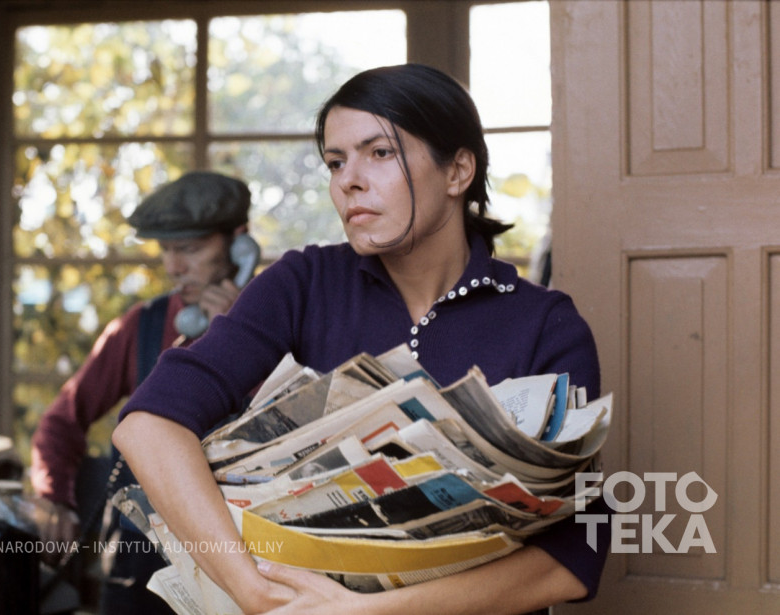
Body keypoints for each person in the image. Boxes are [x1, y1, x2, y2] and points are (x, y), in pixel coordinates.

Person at [113, 64, 611, 615]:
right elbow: (149, 424)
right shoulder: (302, 283)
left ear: (457, 171)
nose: (347, 180)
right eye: (335, 162)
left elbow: (574, 555)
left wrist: (364, 612)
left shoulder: (545, 324)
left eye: (379, 153)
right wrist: (254, 591)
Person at [30, 170, 255, 614]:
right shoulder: (142, 326)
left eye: (190, 249)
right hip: (139, 562)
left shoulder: (274, 324)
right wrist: (53, 497)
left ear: (239, 243)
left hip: (241, 554)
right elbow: (62, 419)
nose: (173, 267)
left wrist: (238, 338)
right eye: (166, 250)